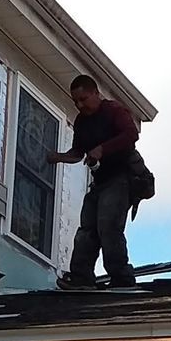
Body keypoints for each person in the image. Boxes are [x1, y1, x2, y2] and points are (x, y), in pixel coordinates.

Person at [49, 73, 146, 289]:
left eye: (83, 99)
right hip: (100, 181)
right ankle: (82, 277)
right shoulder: (82, 122)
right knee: (87, 228)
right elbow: (78, 152)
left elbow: (131, 134)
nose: (79, 104)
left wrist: (103, 149)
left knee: (109, 226)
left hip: (121, 177)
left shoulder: (113, 110)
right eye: (75, 101)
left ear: (95, 93)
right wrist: (60, 157)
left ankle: (121, 278)